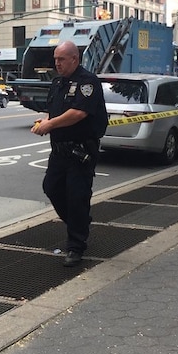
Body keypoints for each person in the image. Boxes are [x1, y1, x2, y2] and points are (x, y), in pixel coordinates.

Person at [31, 41, 107, 267]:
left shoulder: (88, 82)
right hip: (60, 150)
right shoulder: (57, 83)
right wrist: (44, 122)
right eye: (55, 59)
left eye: (61, 59)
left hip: (80, 150)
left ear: (75, 59)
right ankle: (79, 223)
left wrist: (50, 124)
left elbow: (78, 113)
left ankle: (75, 246)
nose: (57, 63)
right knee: (51, 188)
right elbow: (53, 110)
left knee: (76, 196)